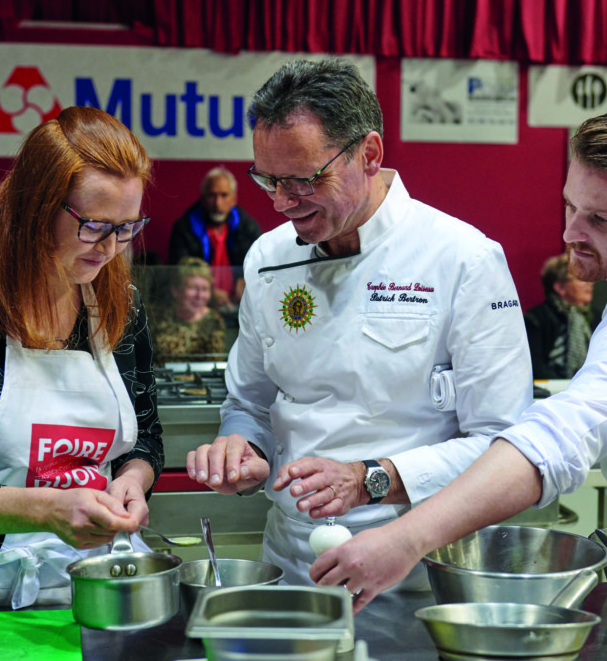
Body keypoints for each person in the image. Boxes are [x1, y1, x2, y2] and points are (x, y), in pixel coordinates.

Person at [312, 106, 607, 613]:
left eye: (599, 219)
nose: (570, 232)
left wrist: (404, 541)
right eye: (570, 205)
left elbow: (558, 441)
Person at [184, 58, 534, 588]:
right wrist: (243, 448)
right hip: (290, 559)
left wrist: (371, 479)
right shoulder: (267, 258)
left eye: (303, 179)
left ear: (369, 154)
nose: (281, 203)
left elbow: (505, 446)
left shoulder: (462, 259)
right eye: (267, 179)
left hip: (415, 561)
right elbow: (250, 402)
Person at [0, 106, 163, 612]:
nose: (110, 248)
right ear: (38, 206)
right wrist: (47, 510)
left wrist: (131, 481)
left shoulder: (117, 304)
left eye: (128, 227)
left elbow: (145, 438)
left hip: (90, 585)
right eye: (94, 226)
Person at [167, 166, 263, 309]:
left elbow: (261, 268)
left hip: (240, 307)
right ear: (203, 198)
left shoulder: (248, 228)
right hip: (197, 305)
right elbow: (180, 275)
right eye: (212, 195)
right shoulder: (184, 228)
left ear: (233, 199)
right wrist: (209, 292)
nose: (217, 203)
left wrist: (248, 281)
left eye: (224, 195)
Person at [524, 252, 597, 379]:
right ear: (560, 288)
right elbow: (535, 366)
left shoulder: (598, 318)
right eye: (581, 279)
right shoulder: (535, 320)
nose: (589, 284)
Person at [150, 256, 226, 364]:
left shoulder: (213, 321)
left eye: (205, 289)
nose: (199, 296)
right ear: (175, 290)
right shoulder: (156, 316)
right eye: (193, 288)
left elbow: (214, 365)